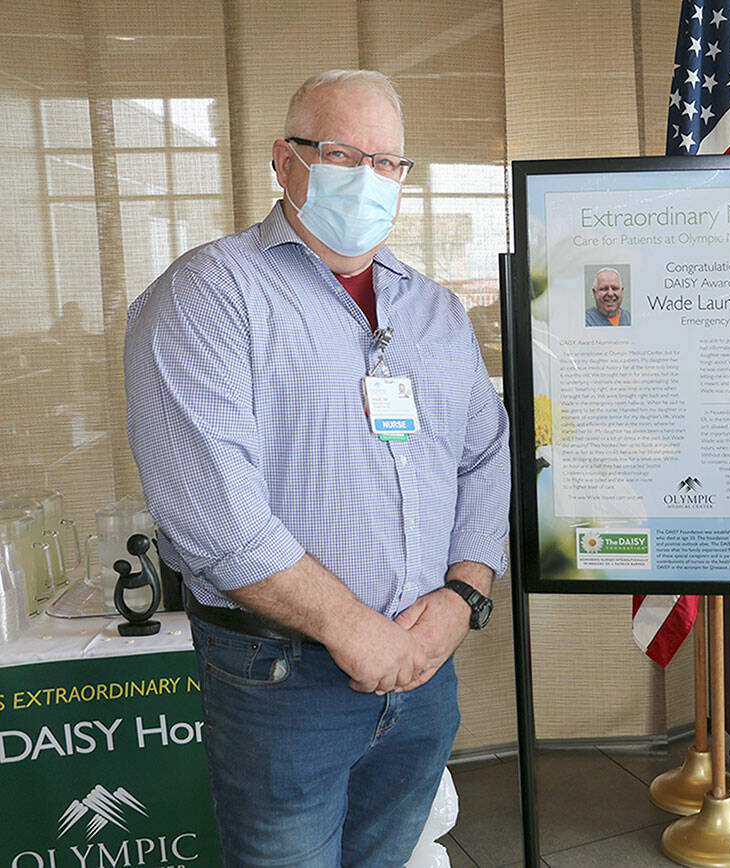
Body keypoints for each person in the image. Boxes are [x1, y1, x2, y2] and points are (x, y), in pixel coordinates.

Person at [123, 70, 510, 867]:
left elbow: (485, 456)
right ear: (284, 160)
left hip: (423, 667)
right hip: (282, 679)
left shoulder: (434, 312)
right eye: (340, 152)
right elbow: (214, 518)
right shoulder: (210, 296)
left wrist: (462, 595)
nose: (367, 178)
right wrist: (353, 630)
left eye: (388, 162)